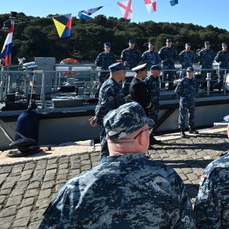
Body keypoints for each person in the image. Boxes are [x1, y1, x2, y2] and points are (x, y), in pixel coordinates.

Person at [40, 102, 195, 228]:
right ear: (141, 138)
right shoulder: (168, 179)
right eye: (148, 131)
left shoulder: (75, 189)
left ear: (108, 139)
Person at [94, 62, 128, 158]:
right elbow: (104, 106)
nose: (125, 73)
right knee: (107, 149)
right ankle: (104, 167)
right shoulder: (110, 86)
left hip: (114, 122)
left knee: (113, 148)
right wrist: (98, 118)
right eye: (124, 71)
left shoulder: (114, 84)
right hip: (110, 123)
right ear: (118, 72)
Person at [175, 67, 198, 137]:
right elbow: (177, 91)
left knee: (192, 115)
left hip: (192, 100)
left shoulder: (195, 81)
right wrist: (183, 96)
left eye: (190, 72)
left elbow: (196, 89)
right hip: (184, 100)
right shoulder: (183, 81)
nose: (189, 73)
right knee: (182, 115)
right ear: (186, 73)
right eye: (188, 72)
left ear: (193, 73)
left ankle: (191, 128)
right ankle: (182, 130)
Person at [145, 64, 162, 145]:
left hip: (156, 104)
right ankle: (147, 140)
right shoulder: (148, 80)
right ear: (153, 71)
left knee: (154, 121)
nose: (159, 72)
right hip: (150, 105)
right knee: (149, 122)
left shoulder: (157, 79)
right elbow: (145, 92)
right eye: (158, 70)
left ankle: (151, 137)